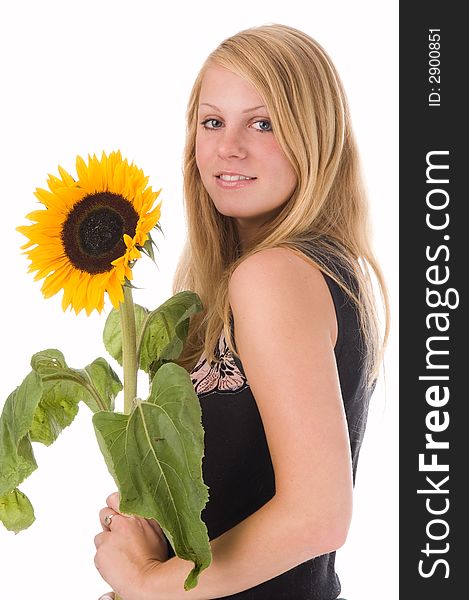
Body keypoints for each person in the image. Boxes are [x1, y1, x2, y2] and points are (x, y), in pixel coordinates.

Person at [93, 23, 389, 600]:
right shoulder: (320, 272)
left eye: (263, 122)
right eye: (212, 122)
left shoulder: (273, 274)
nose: (228, 147)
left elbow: (318, 515)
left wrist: (150, 581)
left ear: (315, 135)